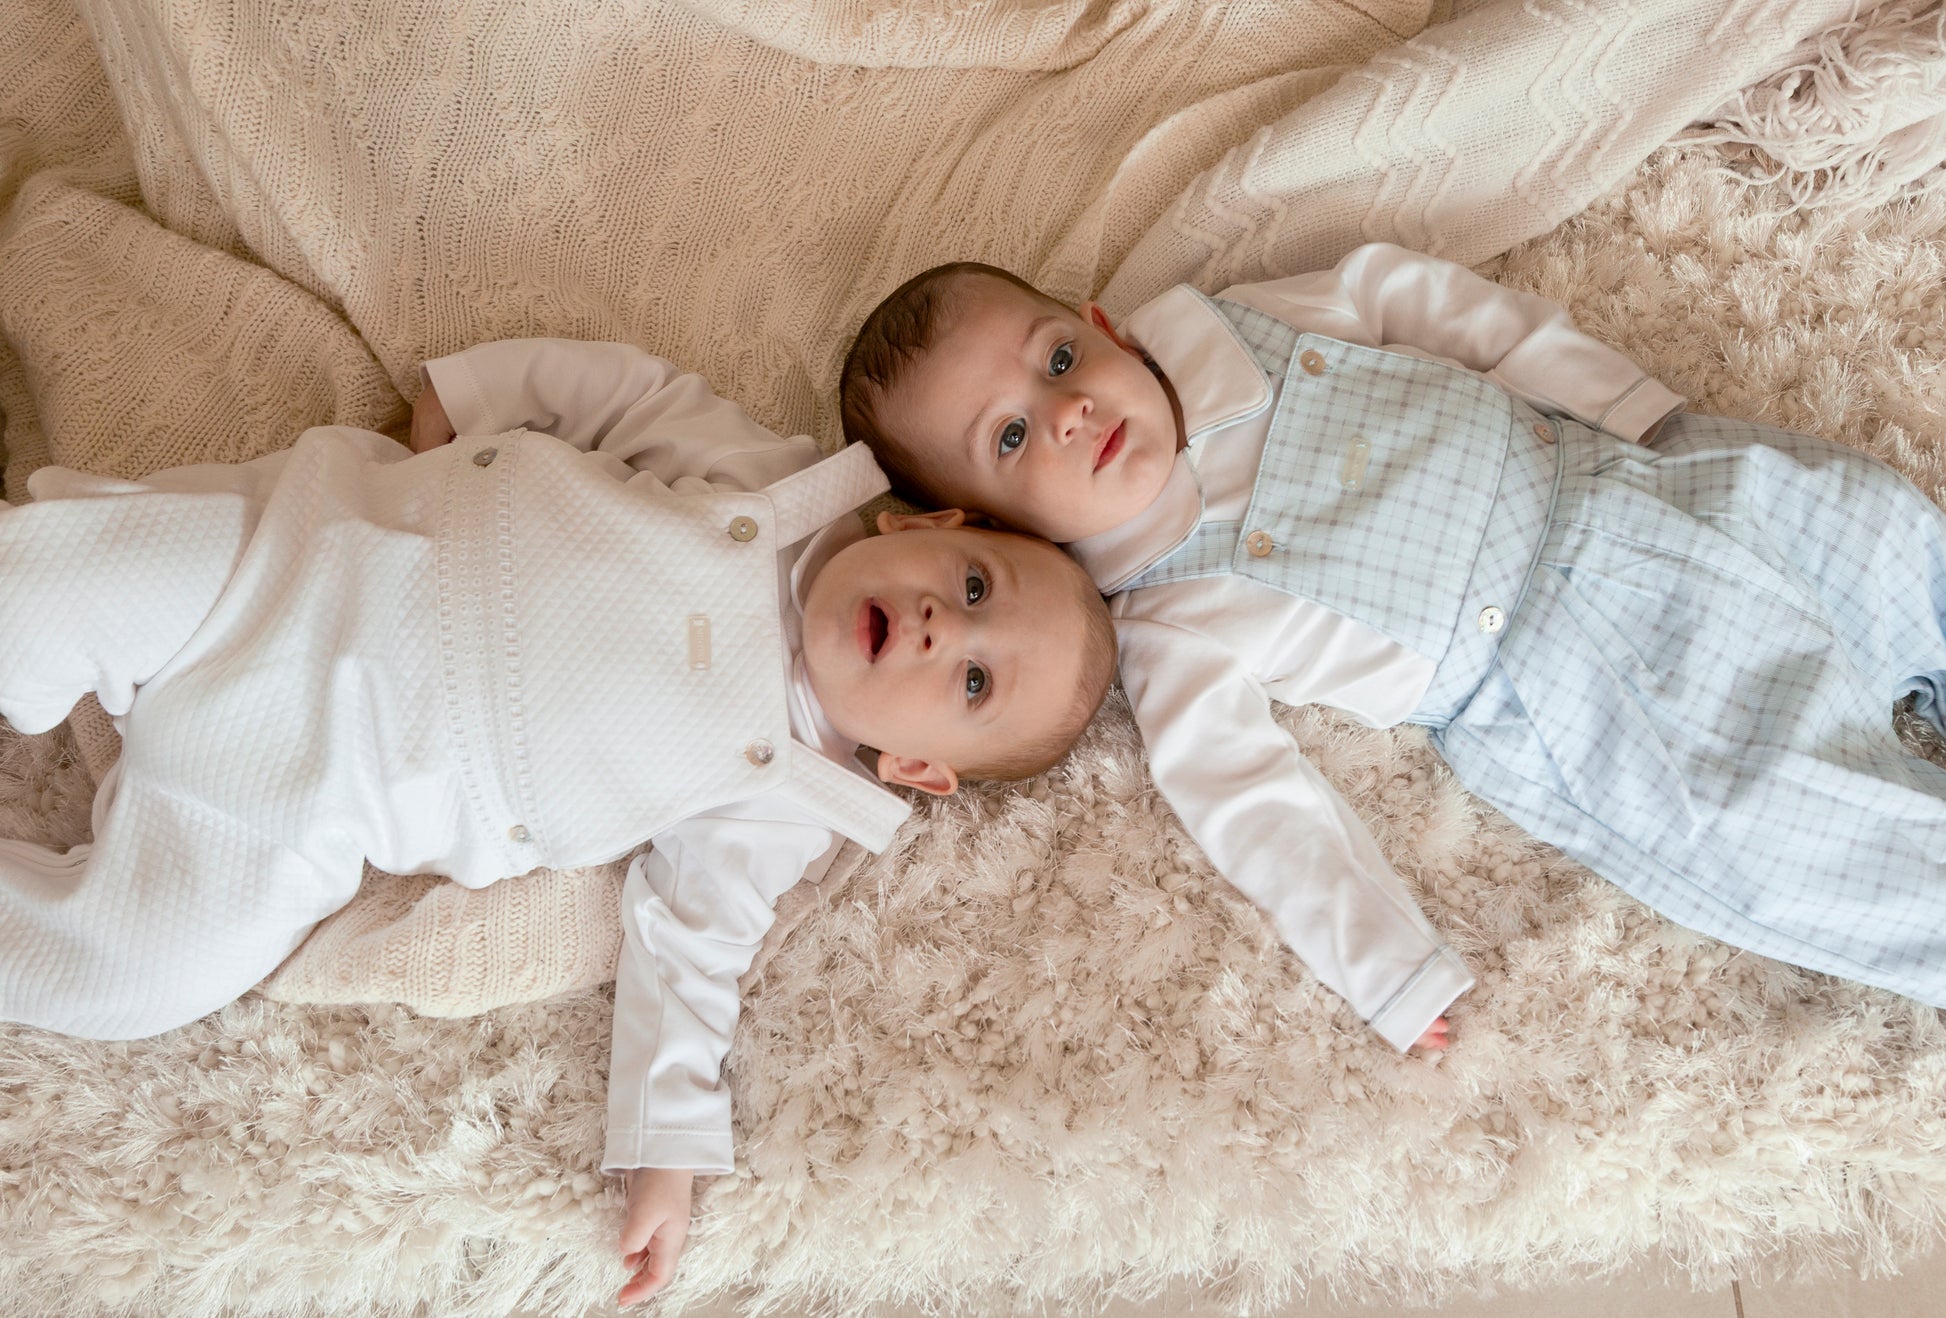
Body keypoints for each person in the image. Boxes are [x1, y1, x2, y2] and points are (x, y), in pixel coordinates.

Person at [0, 338, 1117, 1304]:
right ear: (932, 519)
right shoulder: (775, 488)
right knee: (42, 587)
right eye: (974, 585)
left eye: (974, 682)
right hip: (301, 558)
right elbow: (629, 395)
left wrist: (666, 1154)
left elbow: (691, 957)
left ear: (915, 767)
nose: (938, 628)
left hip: (310, 796)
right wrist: (479, 392)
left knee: (140, 969)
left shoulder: (782, 804)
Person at [838, 243, 1946, 1056]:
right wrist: (1388, 970)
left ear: (1105, 326)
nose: (1070, 410)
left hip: (1617, 481)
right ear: (1005, 530)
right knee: (1770, 824)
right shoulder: (1163, 623)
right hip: (1563, 682)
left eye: (1058, 356)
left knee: (1869, 525)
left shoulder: (1230, 331)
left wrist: (1615, 398)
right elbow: (1254, 805)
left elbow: (1412, 297)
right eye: (1013, 437)